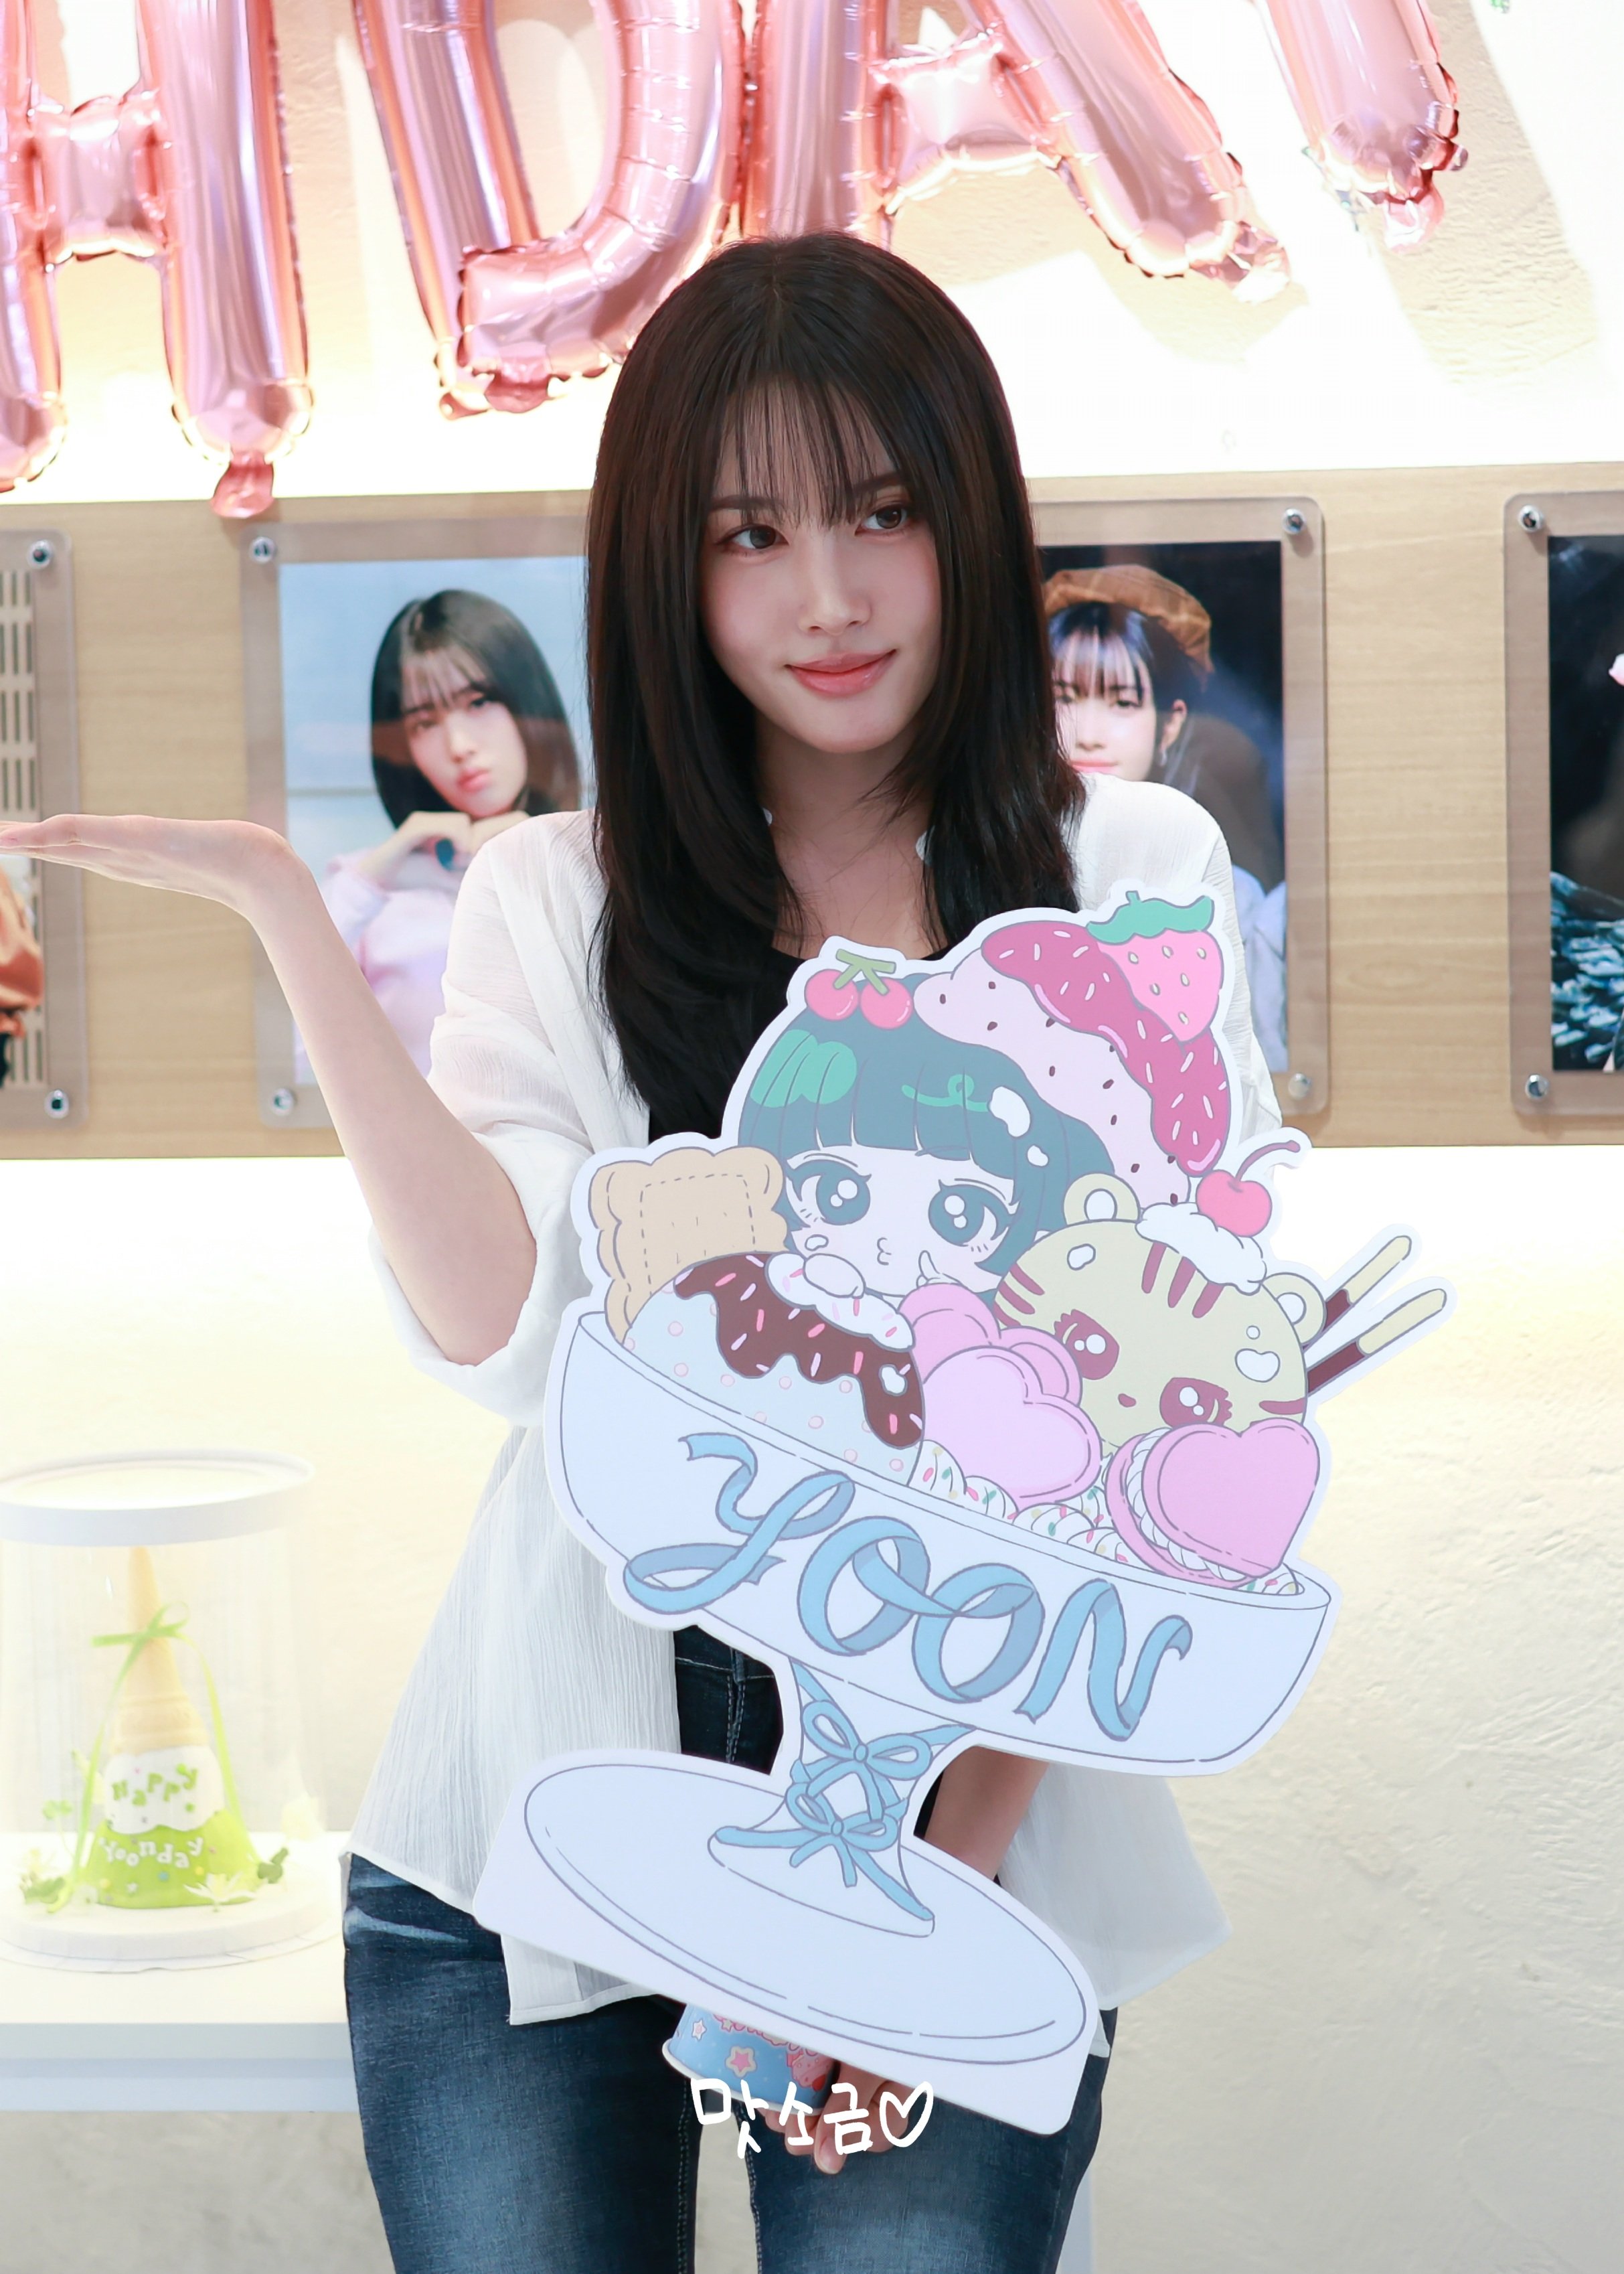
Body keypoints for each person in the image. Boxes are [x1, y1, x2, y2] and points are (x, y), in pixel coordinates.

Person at [0, 234, 1279, 2273]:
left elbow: (1151, 1431)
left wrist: (921, 1897)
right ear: (664, 573)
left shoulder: (1127, 871)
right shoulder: (550, 890)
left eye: (877, 513)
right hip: (538, 1819)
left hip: (960, 1829)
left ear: (969, 513)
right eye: (747, 535)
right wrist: (289, 923)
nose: (824, 597)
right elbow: (505, 1336)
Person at [315, 589, 580, 1073]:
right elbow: (289, 1052)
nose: (459, 746)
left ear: (526, 700)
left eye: (478, 703)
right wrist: (372, 878)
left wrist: (546, 856)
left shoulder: (601, 861)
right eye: (424, 724)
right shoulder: (368, 892)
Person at [1044, 564, 1289, 1071]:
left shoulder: (1230, 899)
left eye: (1122, 702)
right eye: (1064, 699)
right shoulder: (982, 862)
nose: (1088, 734)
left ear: (1171, 723)